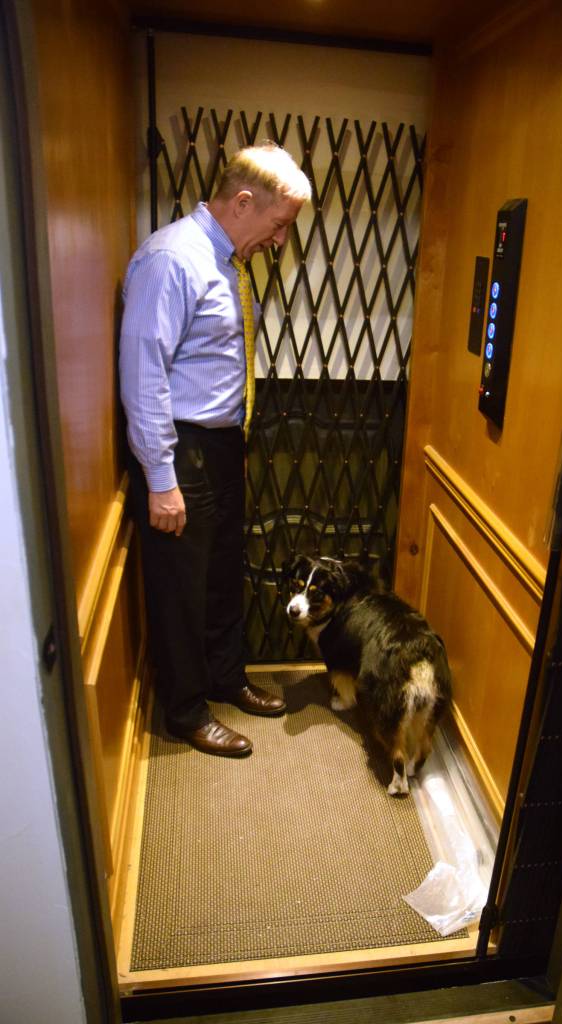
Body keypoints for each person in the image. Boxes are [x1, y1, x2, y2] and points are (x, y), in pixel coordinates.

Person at [119, 143, 312, 756]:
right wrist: (160, 477)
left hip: (222, 445)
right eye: (280, 225)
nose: (282, 241)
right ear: (244, 202)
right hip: (182, 449)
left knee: (223, 571)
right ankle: (184, 710)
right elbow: (144, 372)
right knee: (181, 586)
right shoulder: (172, 260)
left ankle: (228, 679)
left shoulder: (226, 261)